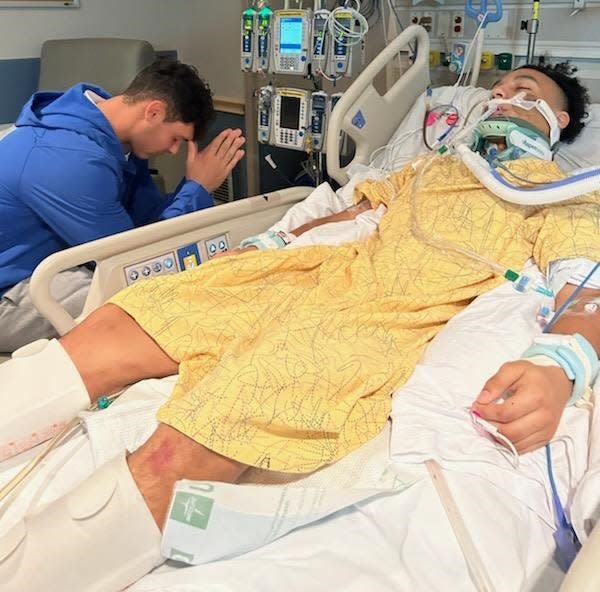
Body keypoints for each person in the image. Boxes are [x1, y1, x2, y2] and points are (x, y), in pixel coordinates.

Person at [0, 64, 598, 592]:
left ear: (557, 117)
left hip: (391, 306)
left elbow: (585, 285)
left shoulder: (562, 194)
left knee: (230, 403)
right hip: (317, 270)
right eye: (495, 87)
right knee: (129, 315)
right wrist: (269, 242)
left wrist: (563, 366)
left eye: (521, 88)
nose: (499, 96)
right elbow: (352, 209)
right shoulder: (430, 168)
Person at [0, 57, 245, 350]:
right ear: (153, 112)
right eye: (176, 138)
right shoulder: (70, 161)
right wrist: (199, 188)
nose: (172, 150)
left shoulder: (109, 137)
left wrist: (194, 190)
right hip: (9, 291)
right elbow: (134, 259)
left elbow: (147, 224)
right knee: (143, 301)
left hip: (42, 264)